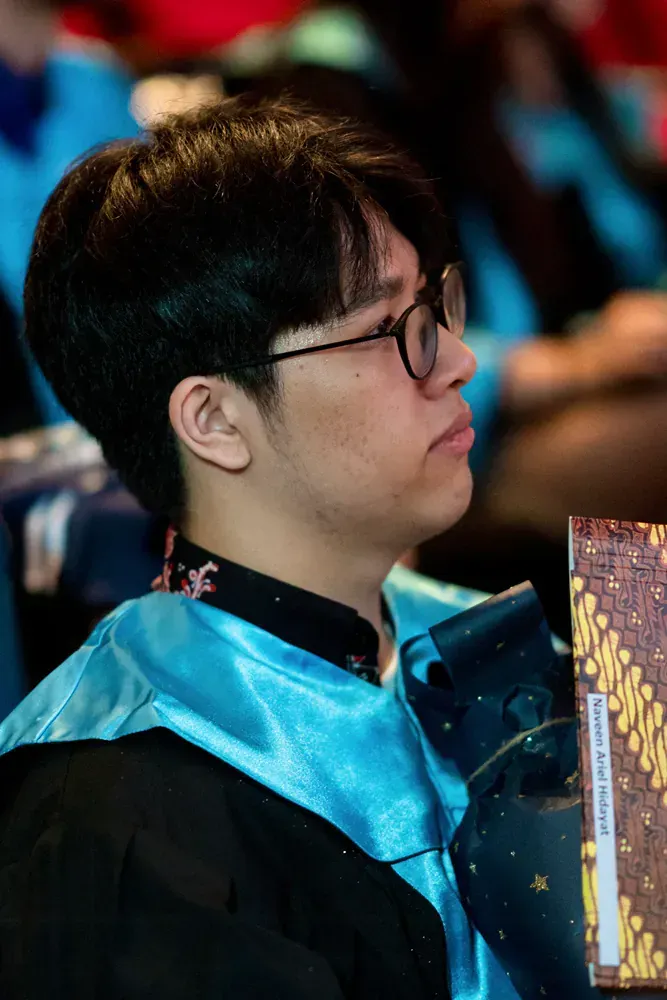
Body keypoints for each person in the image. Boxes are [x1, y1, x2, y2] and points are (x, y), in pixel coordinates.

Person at [0, 97, 522, 999]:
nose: (457, 358)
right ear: (213, 420)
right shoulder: (124, 818)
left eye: (435, 305)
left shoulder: (482, 647)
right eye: (389, 328)